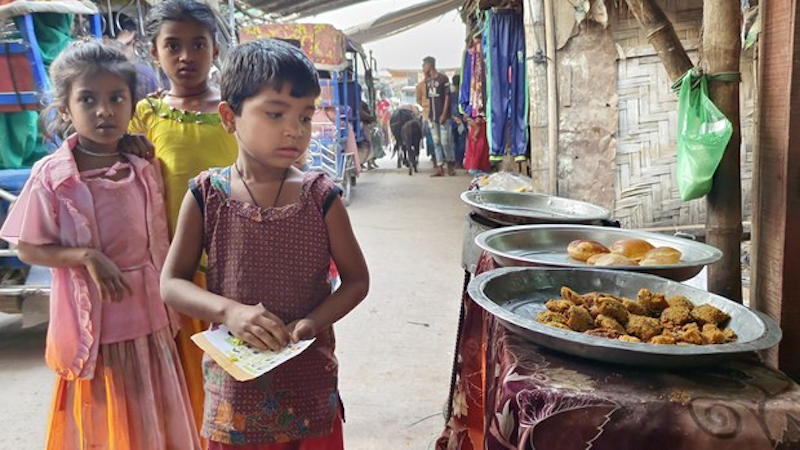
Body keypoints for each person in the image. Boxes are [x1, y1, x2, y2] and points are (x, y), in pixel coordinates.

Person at [160, 39, 370, 449]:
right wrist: (228, 311)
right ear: (229, 116)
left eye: (306, 117)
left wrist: (315, 320)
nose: (294, 129)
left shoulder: (320, 197)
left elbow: (357, 280)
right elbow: (171, 283)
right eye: (275, 114)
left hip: (306, 378)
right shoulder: (207, 196)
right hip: (235, 390)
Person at [0, 40, 200, 449]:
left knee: (154, 421)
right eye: (87, 100)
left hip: (150, 324)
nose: (104, 110)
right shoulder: (52, 177)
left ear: (132, 104)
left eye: (116, 98)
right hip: (97, 335)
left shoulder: (142, 168)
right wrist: (85, 256)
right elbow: (29, 249)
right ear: (65, 110)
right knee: (106, 426)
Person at [129, 0, 239, 430]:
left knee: (231, 383)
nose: (186, 56)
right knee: (185, 382)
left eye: (198, 44)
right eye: (172, 45)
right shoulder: (145, 115)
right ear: (154, 52)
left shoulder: (235, 112)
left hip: (233, 272)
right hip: (175, 275)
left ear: (215, 49)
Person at [423, 56, 456, 176]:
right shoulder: (427, 81)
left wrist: (443, 114)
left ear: (430, 65)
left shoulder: (443, 79)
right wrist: (429, 116)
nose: (423, 68)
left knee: (445, 142)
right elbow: (429, 99)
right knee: (436, 142)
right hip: (432, 117)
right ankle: (440, 167)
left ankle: (450, 163)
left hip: (443, 117)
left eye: (424, 65)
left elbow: (447, 97)